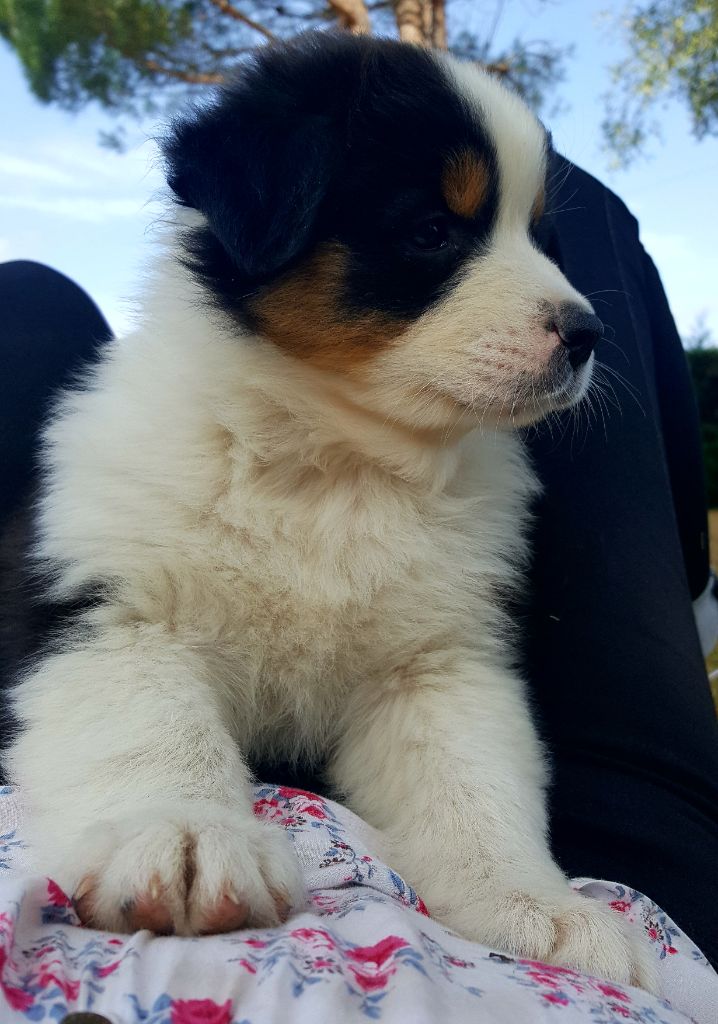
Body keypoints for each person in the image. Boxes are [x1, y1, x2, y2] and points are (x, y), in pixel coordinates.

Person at [1, 155, 717, 967]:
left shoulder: (474, 479)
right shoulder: (137, 446)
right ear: (258, 219)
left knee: (28, 303)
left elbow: (428, 678)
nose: (572, 307)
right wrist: (159, 801)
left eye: (534, 237)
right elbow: (112, 640)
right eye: (434, 231)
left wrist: (498, 879)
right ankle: (693, 598)